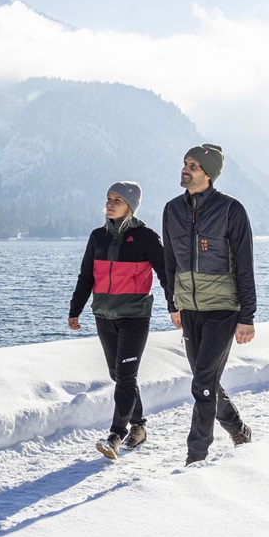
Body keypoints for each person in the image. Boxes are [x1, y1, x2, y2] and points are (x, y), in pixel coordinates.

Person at [161, 143, 256, 465]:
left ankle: (195, 456)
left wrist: (247, 315)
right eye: (185, 163)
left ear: (209, 174)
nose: (186, 169)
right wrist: (172, 304)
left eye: (194, 166)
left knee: (202, 383)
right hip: (189, 309)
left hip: (223, 309)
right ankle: (238, 428)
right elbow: (169, 261)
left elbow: (245, 264)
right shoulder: (172, 209)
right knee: (207, 381)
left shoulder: (231, 209)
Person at [68, 181, 168, 460]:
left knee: (125, 376)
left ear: (131, 206)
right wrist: (75, 309)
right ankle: (139, 426)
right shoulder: (97, 237)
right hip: (104, 315)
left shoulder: (146, 237)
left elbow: (165, 274)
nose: (110, 204)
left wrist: (176, 307)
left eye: (118, 200)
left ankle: (115, 435)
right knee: (118, 375)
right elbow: (86, 275)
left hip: (134, 317)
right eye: (109, 198)